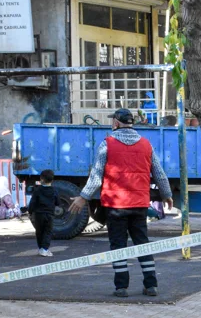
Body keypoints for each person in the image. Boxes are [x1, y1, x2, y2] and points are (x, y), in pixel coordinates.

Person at [69, 108, 173, 297]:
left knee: (118, 245)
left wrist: (83, 197)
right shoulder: (146, 145)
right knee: (143, 243)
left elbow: (96, 176)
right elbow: (159, 173)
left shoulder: (107, 144)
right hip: (139, 204)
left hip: (115, 205)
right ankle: (151, 285)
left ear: (116, 123)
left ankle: (121, 287)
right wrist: (166, 194)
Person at [29, 169, 57, 257]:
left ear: (41, 179)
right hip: (49, 215)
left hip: (38, 215)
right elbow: (58, 202)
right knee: (48, 231)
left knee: (39, 231)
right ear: (52, 180)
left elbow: (32, 202)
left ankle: (41, 248)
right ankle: (45, 249)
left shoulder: (37, 190)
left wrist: (30, 212)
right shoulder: (54, 190)